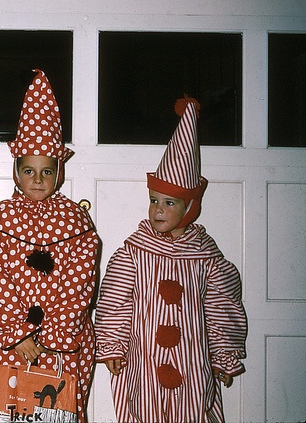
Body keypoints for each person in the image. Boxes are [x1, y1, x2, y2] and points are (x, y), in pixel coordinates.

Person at [94, 96, 247, 422]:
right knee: (145, 409)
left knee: (194, 411)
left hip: (192, 362)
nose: (158, 210)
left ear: (190, 208)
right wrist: (112, 345)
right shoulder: (134, 252)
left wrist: (223, 354)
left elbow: (223, 306)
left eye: (170, 203)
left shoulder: (206, 257)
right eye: (154, 200)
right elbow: (115, 300)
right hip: (145, 360)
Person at [0, 69, 100, 423]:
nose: (38, 179)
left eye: (47, 171)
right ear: (16, 171)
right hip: (9, 341)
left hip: (63, 344)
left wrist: (51, 336)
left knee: (57, 413)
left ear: (59, 171)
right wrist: (18, 333)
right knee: (4, 409)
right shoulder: (0, 219)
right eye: (29, 171)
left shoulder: (76, 221)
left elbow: (80, 285)